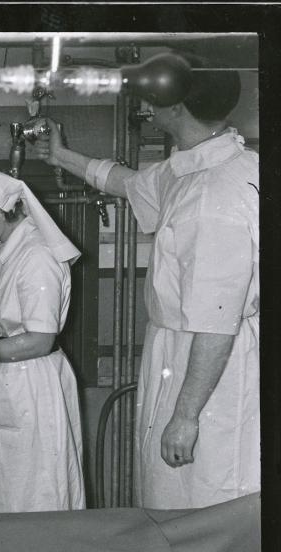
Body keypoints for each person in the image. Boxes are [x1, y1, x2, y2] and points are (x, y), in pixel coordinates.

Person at [32, 56, 259, 509]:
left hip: (210, 358)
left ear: (174, 107)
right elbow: (130, 182)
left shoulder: (214, 195)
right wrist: (60, 155)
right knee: (174, 491)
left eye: (150, 100)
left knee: (204, 495)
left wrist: (187, 415)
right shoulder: (206, 164)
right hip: (185, 348)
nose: (144, 109)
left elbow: (216, 321)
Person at [0, 162, 85, 513]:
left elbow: (39, 340)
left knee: (31, 492)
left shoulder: (37, 256)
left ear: (3, 212)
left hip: (31, 383)